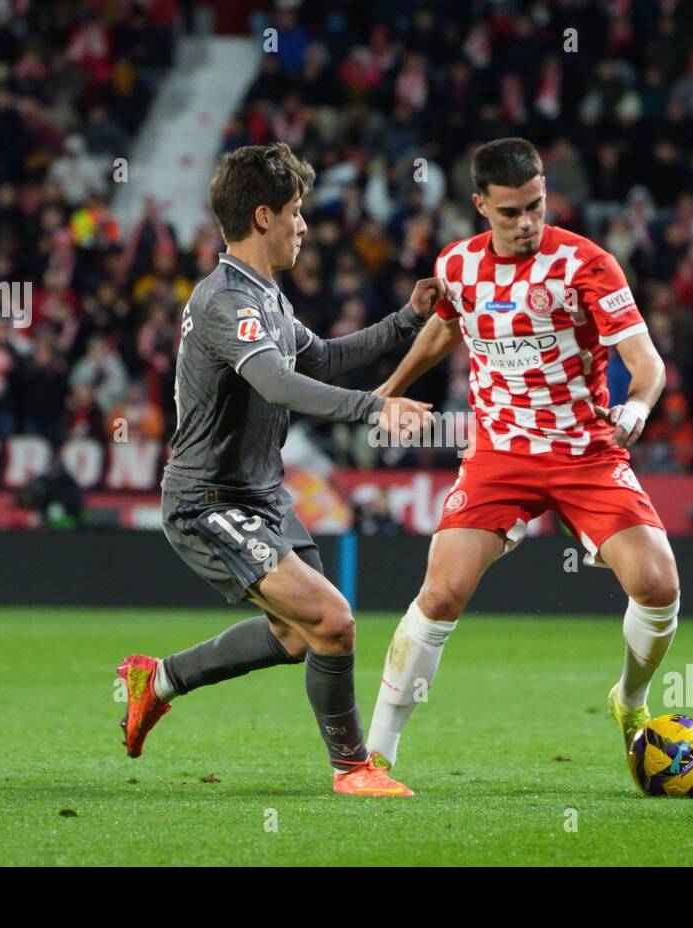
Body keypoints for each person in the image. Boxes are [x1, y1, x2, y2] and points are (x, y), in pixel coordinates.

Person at [116, 143, 447, 797]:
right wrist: (375, 409)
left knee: (299, 637)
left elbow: (316, 361)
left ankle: (157, 680)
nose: (304, 226)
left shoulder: (264, 297)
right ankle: (353, 769)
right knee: (333, 620)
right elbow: (276, 382)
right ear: (263, 216)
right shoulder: (224, 301)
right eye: (295, 212)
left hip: (257, 494)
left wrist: (407, 320)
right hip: (207, 500)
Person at [365, 138, 681, 773]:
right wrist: (390, 390)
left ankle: (631, 698)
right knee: (443, 591)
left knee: (657, 584)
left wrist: (639, 407)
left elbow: (646, 364)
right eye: (509, 212)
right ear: (481, 205)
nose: (526, 223)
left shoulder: (587, 265)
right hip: (498, 454)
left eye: (535, 206)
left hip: (584, 450)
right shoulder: (456, 267)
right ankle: (375, 755)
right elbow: (448, 325)